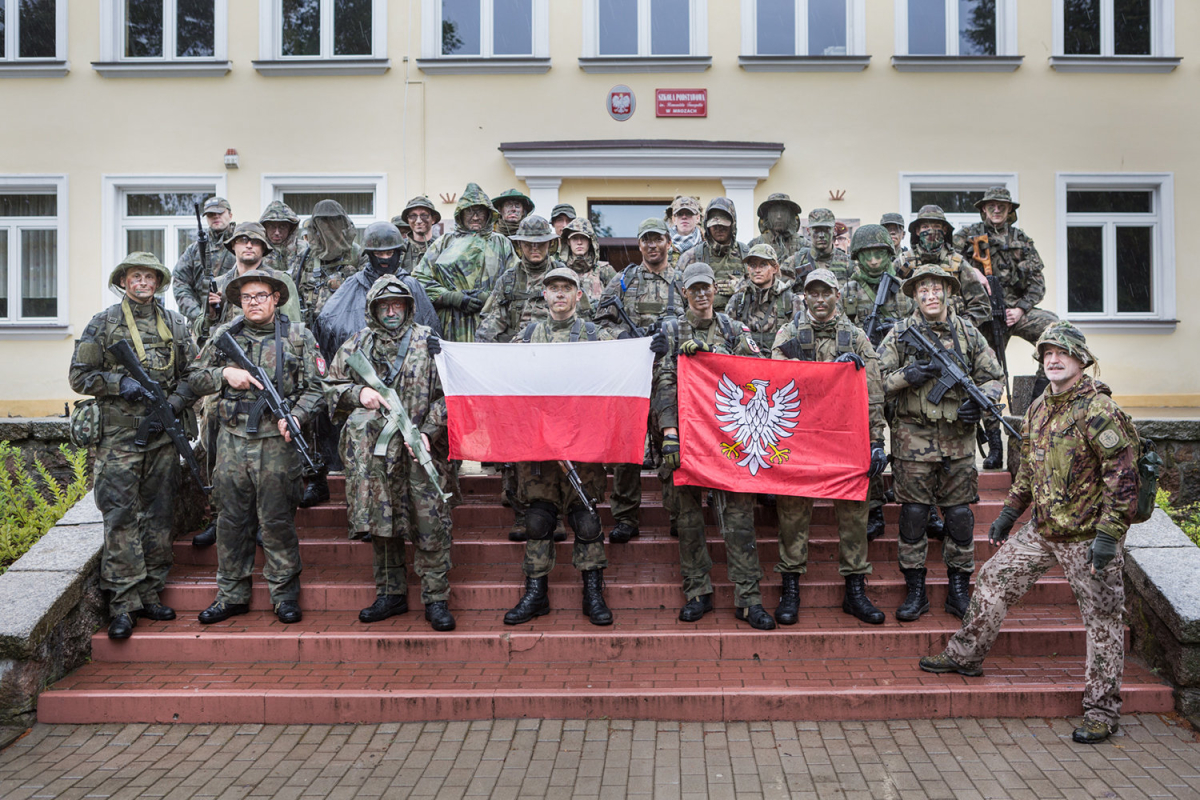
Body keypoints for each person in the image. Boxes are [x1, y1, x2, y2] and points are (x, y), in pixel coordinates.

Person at [920, 322, 1137, 745]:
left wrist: (1109, 537)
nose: (1053, 360)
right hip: (1043, 530)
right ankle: (966, 655)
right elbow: (1029, 470)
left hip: (1089, 537)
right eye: (1047, 354)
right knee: (993, 579)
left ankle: (1101, 710)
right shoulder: (1040, 407)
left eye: (1062, 353)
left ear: (1080, 360)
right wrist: (1008, 514)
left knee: (1103, 622)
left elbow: (1124, 479)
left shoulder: (1099, 411)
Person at [69, 252, 200, 639]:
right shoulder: (104, 323)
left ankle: (151, 592)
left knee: (159, 516)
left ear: (158, 283)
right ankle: (124, 603)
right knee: (120, 516)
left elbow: (194, 374)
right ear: (124, 281)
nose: (142, 283)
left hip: (161, 436)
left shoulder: (176, 324)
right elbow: (80, 376)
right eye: (134, 277)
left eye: (149, 277)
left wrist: (175, 403)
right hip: (119, 438)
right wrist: (117, 384)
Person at [190, 270, 327, 625]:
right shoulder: (225, 336)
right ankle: (231, 595)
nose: (254, 302)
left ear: (276, 298)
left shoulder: (298, 336)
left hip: (276, 445)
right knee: (231, 521)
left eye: (261, 296)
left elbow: (319, 387)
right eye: (247, 297)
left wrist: (296, 416)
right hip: (233, 443)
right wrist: (224, 375)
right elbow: (192, 377)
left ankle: (284, 596)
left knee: (277, 521)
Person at [323, 275, 456, 631]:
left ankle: (436, 598)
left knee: (429, 522)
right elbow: (330, 387)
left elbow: (451, 394)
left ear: (409, 306)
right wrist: (357, 394)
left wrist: (429, 431)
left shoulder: (428, 341)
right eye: (385, 305)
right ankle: (390, 594)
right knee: (383, 523)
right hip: (376, 459)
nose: (392, 311)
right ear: (374, 308)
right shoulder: (356, 345)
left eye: (398, 304)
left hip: (420, 450)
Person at [878, 265, 1004, 622]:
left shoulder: (968, 333)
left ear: (948, 292)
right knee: (914, 516)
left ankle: (958, 590)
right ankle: (915, 591)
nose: (930, 295)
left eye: (936, 289)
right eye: (923, 290)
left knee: (960, 517)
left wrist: (977, 406)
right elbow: (878, 381)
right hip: (912, 440)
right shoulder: (901, 333)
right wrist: (909, 375)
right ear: (915, 295)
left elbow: (994, 378)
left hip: (959, 442)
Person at [652, 262, 774, 629]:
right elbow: (664, 381)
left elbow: (758, 372)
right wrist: (670, 433)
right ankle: (697, 592)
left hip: (729, 441)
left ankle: (748, 599)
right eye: (694, 289)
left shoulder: (733, 329)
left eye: (707, 288)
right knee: (688, 522)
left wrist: (712, 355)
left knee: (739, 522)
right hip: (685, 440)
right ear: (685, 292)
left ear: (715, 291)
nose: (702, 294)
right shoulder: (671, 330)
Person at [770, 269, 888, 625]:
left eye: (826, 293)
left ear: (837, 294)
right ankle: (790, 588)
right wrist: (825, 370)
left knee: (854, 512)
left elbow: (874, 391)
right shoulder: (789, 333)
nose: (819, 300)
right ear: (804, 297)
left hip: (844, 437)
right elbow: (776, 375)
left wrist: (877, 440)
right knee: (792, 513)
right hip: (800, 437)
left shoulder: (854, 337)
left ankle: (855, 589)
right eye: (813, 294)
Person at [503, 267, 616, 627]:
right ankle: (536, 593)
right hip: (538, 446)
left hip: (581, 444)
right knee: (538, 519)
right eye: (553, 288)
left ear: (579, 295)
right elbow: (504, 376)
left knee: (586, 518)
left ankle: (593, 592)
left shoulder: (596, 336)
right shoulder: (527, 335)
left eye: (567, 288)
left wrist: (650, 349)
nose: (560, 294)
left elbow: (619, 370)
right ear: (545, 296)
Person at [189, 223, 304, 547]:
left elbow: (291, 324)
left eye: (255, 241)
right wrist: (210, 312)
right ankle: (219, 511)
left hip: (270, 370)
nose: (248, 246)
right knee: (213, 421)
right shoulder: (221, 283)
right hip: (228, 379)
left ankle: (262, 521)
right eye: (242, 241)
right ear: (232, 247)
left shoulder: (277, 281)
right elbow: (205, 337)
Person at [593, 218, 685, 545]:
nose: (652, 245)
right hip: (630, 375)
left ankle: (679, 513)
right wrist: (625, 337)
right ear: (639, 243)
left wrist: (672, 340)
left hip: (672, 378)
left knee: (671, 448)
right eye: (646, 240)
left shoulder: (683, 282)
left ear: (668, 243)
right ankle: (625, 516)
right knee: (627, 450)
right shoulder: (623, 281)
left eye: (658, 239)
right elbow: (598, 325)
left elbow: (701, 324)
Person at [954, 187, 1059, 469]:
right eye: (991, 206)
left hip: (1014, 312)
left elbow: (1038, 282)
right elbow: (946, 258)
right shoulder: (968, 235)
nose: (996, 210)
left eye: (1001, 206)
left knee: (1055, 331)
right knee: (989, 375)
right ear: (984, 210)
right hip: (984, 316)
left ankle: (1038, 400)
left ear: (1009, 210)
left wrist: (1021, 309)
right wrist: (970, 269)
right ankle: (994, 445)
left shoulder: (1022, 240)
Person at [841, 223, 914, 542]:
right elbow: (839, 332)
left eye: (880, 253)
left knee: (908, 441)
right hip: (862, 380)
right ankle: (873, 509)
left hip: (900, 378)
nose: (873, 260)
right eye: (867, 253)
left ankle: (917, 504)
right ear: (857, 256)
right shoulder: (847, 291)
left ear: (890, 254)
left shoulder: (905, 291)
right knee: (867, 445)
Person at [414, 183, 517, 343]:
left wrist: (490, 298)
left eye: (480, 211)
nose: (475, 217)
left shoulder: (501, 243)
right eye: (469, 211)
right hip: (451, 325)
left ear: (489, 214)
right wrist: (450, 297)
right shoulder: (444, 242)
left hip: (491, 324)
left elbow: (516, 281)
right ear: (460, 213)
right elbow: (419, 280)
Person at [894, 205, 990, 326]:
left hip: (951, 338)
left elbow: (981, 306)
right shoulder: (903, 262)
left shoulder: (958, 264)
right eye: (925, 227)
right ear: (917, 231)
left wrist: (960, 327)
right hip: (912, 336)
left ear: (945, 230)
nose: (931, 231)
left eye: (936, 226)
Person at [296, 199, 362, 327]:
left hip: (347, 327)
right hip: (312, 328)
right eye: (323, 221)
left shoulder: (356, 253)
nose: (329, 225)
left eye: (334, 220)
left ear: (342, 223)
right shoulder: (306, 256)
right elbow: (293, 292)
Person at [677, 197, 749, 311]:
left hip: (739, 323)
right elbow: (678, 296)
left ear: (732, 225)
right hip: (702, 321)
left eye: (723, 225)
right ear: (707, 226)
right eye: (714, 226)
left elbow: (764, 289)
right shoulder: (690, 257)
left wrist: (743, 287)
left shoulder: (747, 254)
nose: (719, 229)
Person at [172, 196, 236, 324]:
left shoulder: (242, 245)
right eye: (211, 214)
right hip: (203, 325)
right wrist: (199, 315)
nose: (216, 217)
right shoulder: (194, 250)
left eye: (220, 213)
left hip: (236, 321)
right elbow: (180, 284)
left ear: (230, 215)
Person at [725, 243, 793, 353]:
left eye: (763, 265)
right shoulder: (738, 299)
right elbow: (727, 337)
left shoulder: (789, 300)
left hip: (777, 364)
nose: (757, 270)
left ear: (775, 268)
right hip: (745, 364)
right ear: (748, 269)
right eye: (752, 265)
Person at [559, 216, 616, 315]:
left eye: (583, 238)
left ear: (590, 242)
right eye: (575, 238)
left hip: (598, 327)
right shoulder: (559, 270)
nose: (579, 242)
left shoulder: (605, 270)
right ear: (568, 242)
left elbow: (620, 302)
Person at [783, 208, 851, 286]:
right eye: (816, 230)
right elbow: (782, 293)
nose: (821, 235)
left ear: (834, 231)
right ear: (808, 231)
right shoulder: (795, 262)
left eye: (826, 230)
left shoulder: (848, 263)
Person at [747, 193, 808, 275]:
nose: (779, 216)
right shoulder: (755, 244)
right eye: (774, 211)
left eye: (783, 211)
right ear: (767, 216)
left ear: (790, 215)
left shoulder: (803, 244)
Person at [259, 201, 308, 286]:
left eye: (282, 226)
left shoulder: (303, 249)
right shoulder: (258, 248)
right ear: (264, 227)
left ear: (291, 228)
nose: (277, 232)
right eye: (272, 226)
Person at [396, 195, 441, 275]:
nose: (419, 220)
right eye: (413, 216)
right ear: (408, 220)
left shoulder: (442, 247)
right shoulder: (399, 249)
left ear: (433, 219)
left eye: (424, 215)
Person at [665, 195, 703, 268]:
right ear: (674, 219)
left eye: (689, 213)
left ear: (698, 218)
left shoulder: (706, 245)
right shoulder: (664, 245)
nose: (684, 217)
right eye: (679, 214)